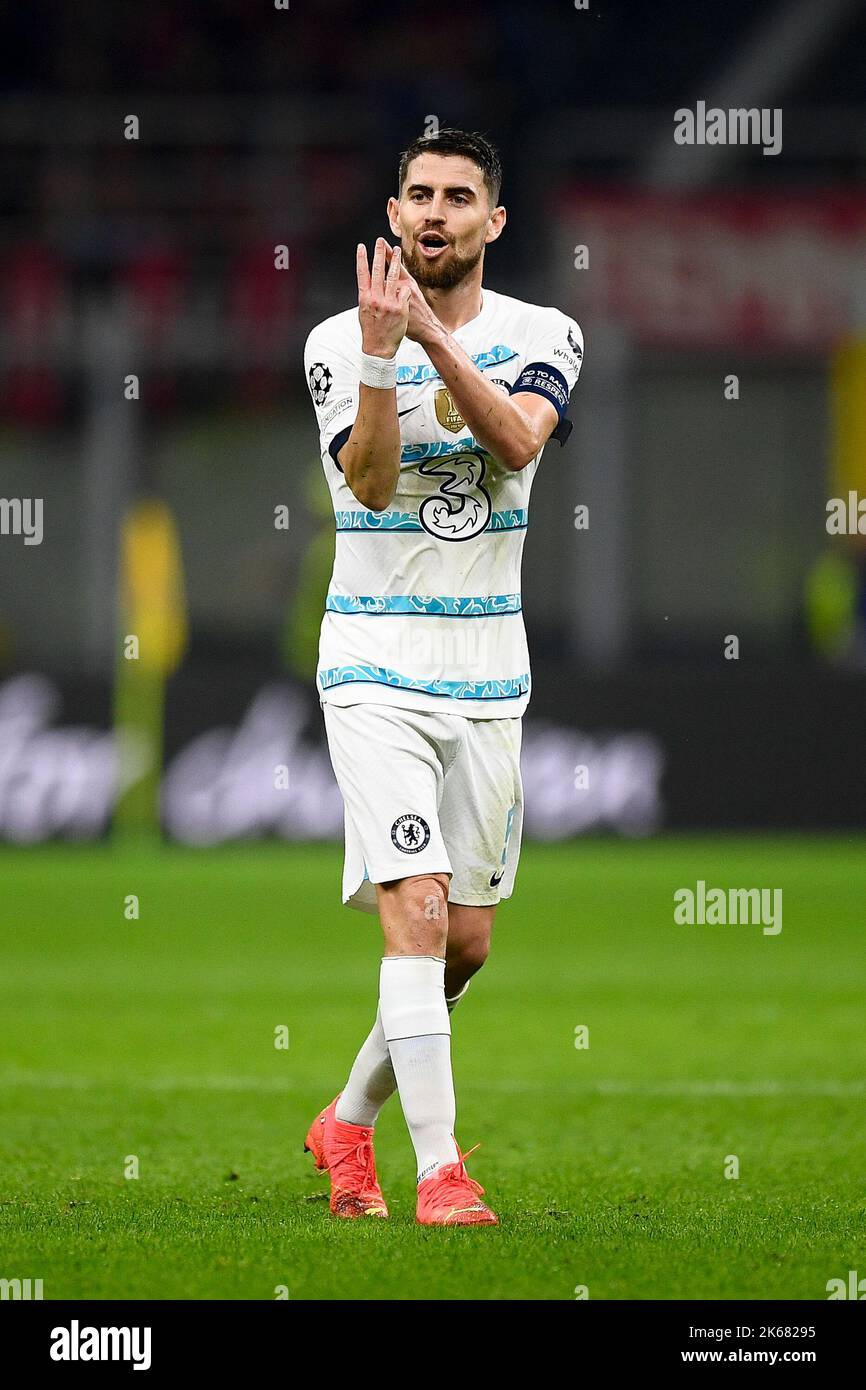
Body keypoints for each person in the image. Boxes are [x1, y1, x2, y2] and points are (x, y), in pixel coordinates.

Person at [302, 129, 583, 1225]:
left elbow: (514, 442)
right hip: (371, 659)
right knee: (412, 910)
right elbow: (368, 487)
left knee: (461, 944)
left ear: (492, 222)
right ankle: (438, 1174)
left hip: (487, 669)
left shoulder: (546, 330)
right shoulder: (334, 340)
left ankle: (343, 1120)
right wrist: (385, 356)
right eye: (417, 195)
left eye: (456, 197)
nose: (433, 213)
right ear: (392, 209)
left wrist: (429, 341)